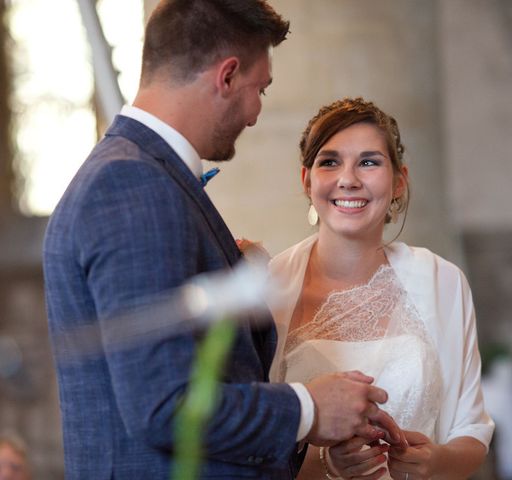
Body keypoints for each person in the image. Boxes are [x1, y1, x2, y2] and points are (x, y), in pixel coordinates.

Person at [43, 3, 403, 479]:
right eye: (261, 89)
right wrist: (309, 408)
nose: (256, 114)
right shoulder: (133, 183)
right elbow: (164, 404)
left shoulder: (143, 175)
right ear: (227, 76)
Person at [269, 97, 495, 479]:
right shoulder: (271, 288)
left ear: (399, 181)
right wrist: (326, 466)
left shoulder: (443, 281)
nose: (349, 179)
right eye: (330, 162)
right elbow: (249, 442)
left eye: (369, 162)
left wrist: (435, 461)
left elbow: (472, 431)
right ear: (307, 180)